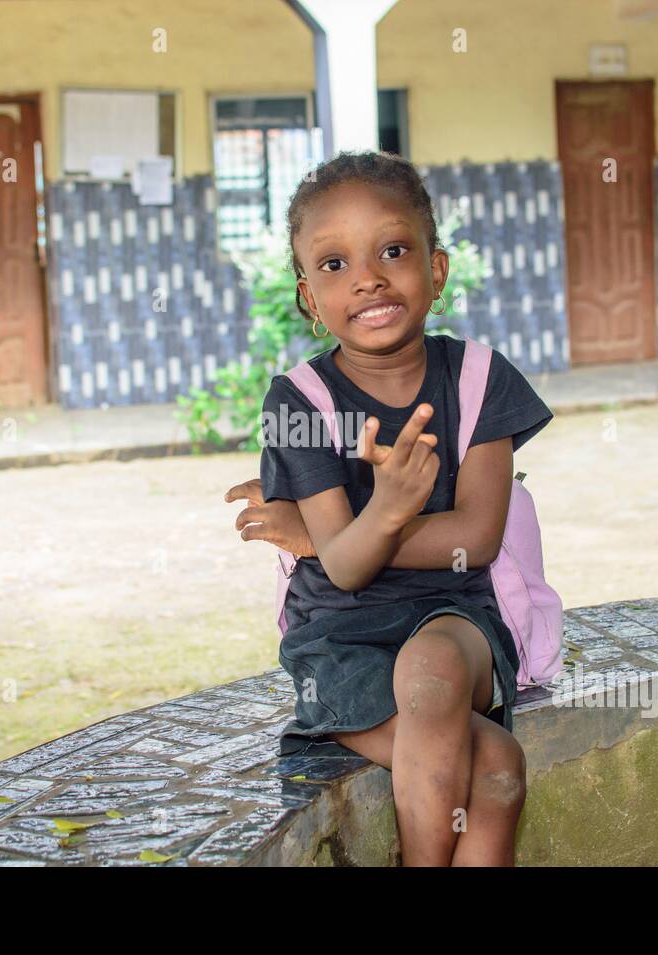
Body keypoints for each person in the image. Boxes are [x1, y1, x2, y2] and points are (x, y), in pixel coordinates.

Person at [223, 150, 553, 866]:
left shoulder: (478, 379)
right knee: (495, 770)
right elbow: (345, 573)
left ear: (435, 270)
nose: (368, 276)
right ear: (309, 297)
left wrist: (334, 532)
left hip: (455, 617)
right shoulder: (299, 403)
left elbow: (475, 538)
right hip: (340, 640)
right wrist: (375, 518)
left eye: (393, 250)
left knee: (433, 673)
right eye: (334, 264)